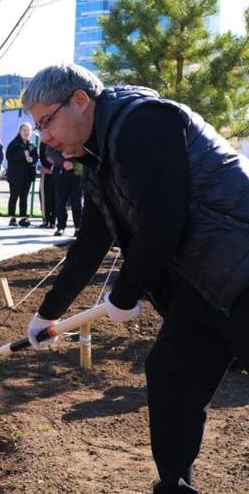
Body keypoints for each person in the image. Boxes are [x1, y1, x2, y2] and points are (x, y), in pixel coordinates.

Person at [21, 63, 249, 494]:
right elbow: (92, 240)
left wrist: (124, 294)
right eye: (38, 127)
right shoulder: (99, 156)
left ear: (81, 100)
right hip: (206, 282)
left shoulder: (143, 122)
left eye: (47, 121)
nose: (45, 135)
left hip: (241, 265)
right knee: (170, 373)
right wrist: (46, 314)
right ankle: (173, 485)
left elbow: (165, 219)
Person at [5, 122, 37, 227]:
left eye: (28, 130)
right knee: (14, 196)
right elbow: (9, 157)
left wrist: (32, 159)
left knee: (24, 197)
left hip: (27, 176)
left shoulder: (32, 145)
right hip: (15, 175)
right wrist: (23, 155)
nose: (26, 132)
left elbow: (36, 157)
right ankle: (12, 217)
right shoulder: (13, 143)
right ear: (20, 131)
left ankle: (23, 217)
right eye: (24, 130)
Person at [48, 144, 83, 237]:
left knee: (77, 199)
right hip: (60, 167)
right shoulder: (56, 131)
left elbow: (86, 150)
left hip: (78, 167)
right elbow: (49, 151)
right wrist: (63, 162)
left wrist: (73, 160)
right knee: (60, 199)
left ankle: (78, 227)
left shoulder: (81, 130)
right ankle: (60, 227)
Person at [38, 142, 56, 228]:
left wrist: (55, 167)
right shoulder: (45, 140)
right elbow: (42, 155)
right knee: (45, 196)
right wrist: (50, 167)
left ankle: (53, 221)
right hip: (46, 171)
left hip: (58, 171)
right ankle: (46, 219)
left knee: (56, 197)